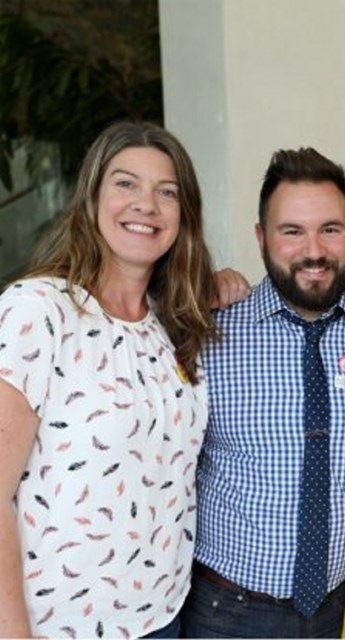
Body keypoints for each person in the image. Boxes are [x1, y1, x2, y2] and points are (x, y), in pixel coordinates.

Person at [0, 121, 226, 638]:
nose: (145, 204)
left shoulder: (174, 325)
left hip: (163, 618)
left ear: (183, 216)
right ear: (92, 198)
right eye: (125, 184)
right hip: (59, 626)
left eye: (165, 192)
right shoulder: (39, 312)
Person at [181, 148, 345, 638]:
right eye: (292, 231)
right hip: (228, 614)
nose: (314, 251)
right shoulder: (207, 332)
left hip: (343, 611)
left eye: (331, 229)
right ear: (261, 238)